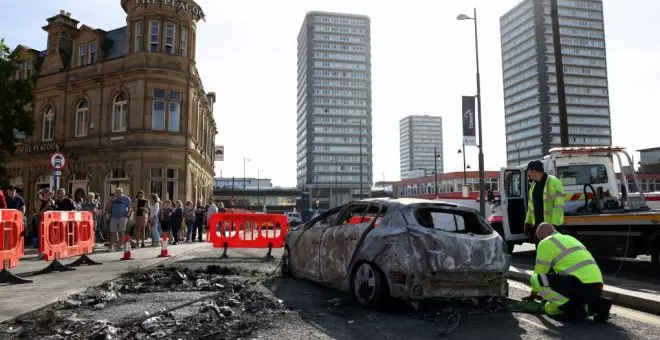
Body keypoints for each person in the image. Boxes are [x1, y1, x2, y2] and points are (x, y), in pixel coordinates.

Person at [525, 222, 611, 322]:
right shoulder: (570, 238)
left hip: (578, 285)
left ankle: (573, 309)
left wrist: (534, 294)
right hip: (596, 288)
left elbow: (539, 272)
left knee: (548, 304)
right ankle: (599, 305)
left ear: (542, 235)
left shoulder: (545, 242)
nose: (540, 240)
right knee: (561, 294)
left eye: (539, 238)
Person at [524, 160, 565, 240]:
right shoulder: (533, 185)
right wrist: (527, 222)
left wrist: (553, 225)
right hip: (539, 228)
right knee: (541, 250)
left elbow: (558, 206)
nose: (528, 175)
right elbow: (531, 206)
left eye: (528, 171)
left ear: (533, 171)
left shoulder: (554, 182)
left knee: (553, 251)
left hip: (552, 228)